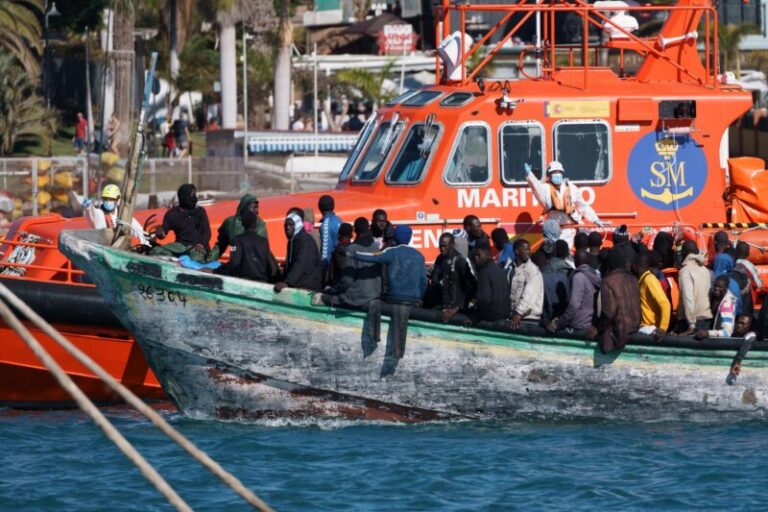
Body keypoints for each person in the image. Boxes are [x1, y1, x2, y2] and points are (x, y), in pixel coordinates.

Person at [354, 225, 427, 358]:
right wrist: (418, 297)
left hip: (393, 300)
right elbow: (424, 282)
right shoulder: (419, 256)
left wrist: (353, 253)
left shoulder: (392, 252)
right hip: (413, 301)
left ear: (395, 237)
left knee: (374, 303)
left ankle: (374, 337)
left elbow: (372, 256)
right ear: (410, 238)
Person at [525, 160, 609, 245]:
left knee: (586, 242)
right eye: (554, 172)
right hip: (556, 229)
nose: (557, 174)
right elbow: (535, 187)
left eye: (559, 172)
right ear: (549, 175)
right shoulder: (545, 189)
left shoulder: (571, 187)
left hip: (573, 226)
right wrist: (529, 175)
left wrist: (595, 219)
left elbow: (583, 206)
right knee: (560, 250)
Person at [321, 217, 382, 307]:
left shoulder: (351, 249)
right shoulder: (376, 248)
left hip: (358, 297)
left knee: (323, 298)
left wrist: (332, 290)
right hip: (375, 295)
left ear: (355, 231)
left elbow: (347, 280)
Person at [589, 249, 641, 353]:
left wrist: (598, 328)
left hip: (618, 334)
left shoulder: (609, 281)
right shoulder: (633, 279)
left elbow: (608, 313)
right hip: (635, 327)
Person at [150, 183, 211, 262]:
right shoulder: (173, 213)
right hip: (181, 246)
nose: (195, 198)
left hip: (198, 247)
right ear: (184, 196)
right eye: (193, 195)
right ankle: (174, 262)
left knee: (196, 259)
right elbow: (163, 233)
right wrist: (159, 232)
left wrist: (201, 244)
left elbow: (207, 232)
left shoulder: (200, 211)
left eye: (195, 195)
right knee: (155, 252)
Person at [548, 250, 601, 333]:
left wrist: (558, 323)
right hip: (590, 323)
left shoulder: (578, 277)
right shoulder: (595, 275)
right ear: (588, 261)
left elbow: (574, 306)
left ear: (575, 261)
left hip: (579, 324)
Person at [427, 232, 476, 322]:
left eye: (445, 246)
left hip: (454, 309)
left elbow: (472, 286)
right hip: (440, 305)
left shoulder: (459, 261)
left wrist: (456, 308)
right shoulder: (440, 259)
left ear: (452, 245)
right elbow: (435, 281)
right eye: (440, 246)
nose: (442, 249)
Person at [214, 210, 274, 282]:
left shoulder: (237, 240)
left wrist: (216, 271)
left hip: (245, 281)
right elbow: (267, 263)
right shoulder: (264, 242)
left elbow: (234, 263)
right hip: (262, 281)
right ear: (256, 224)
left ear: (242, 223)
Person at [83, 184, 149, 246]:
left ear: (117, 200)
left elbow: (138, 230)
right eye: (106, 199)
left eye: (111, 199)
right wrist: (88, 208)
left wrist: (147, 243)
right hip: (103, 248)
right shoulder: (100, 214)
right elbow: (92, 214)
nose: (108, 201)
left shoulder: (123, 215)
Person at [274, 213, 323, 292]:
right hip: (300, 283)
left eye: (291, 225)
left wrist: (287, 282)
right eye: (285, 225)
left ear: (297, 225)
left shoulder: (305, 240)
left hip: (308, 286)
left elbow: (301, 263)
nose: (287, 228)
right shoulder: (292, 241)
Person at [211, 194, 267, 260]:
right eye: (254, 207)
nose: (257, 211)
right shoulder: (230, 222)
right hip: (236, 263)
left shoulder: (260, 225)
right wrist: (209, 260)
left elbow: (261, 250)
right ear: (244, 207)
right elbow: (221, 245)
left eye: (257, 207)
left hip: (252, 265)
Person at [468, 239, 511, 323]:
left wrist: (476, 317)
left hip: (492, 316)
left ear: (487, 254)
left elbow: (484, 298)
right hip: (505, 314)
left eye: (478, 255)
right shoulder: (498, 269)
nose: (476, 258)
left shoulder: (484, 271)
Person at [677, 240, 713, 335]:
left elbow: (688, 299)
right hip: (707, 318)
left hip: (692, 321)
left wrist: (691, 324)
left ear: (683, 253)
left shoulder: (685, 271)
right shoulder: (707, 271)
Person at [509, 238, 544, 329]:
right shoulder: (511, 268)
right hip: (514, 316)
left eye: (529, 249)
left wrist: (519, 313)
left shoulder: (533, 271)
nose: (528, 252)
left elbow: (529, 295)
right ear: (517, 251)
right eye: (525, 249)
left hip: (528, 318)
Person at [635, 250, 671, 339]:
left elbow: (665, 303)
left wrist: (662, 328)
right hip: (646, 328)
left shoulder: (649, 279)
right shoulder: (643, 280)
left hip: (650, 329)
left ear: (637, 264)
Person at [533, 250, 570, 326]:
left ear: (535, 266)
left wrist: (547, 322)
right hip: (565, 320)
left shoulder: (540, 278)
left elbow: (548, 304)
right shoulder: (563, 274)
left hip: (550, 322)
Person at [318, 195, 343, 281]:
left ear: (319, 207)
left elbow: (325, 255)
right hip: (342, 266)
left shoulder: (325, 225)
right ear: (333, 206)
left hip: (332, 271)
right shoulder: (340, 220)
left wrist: (321, 276)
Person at [726, 315, 757, 384]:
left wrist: (737, 362)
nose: (739, 325)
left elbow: (748, 340)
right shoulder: (733, 333)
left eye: (743, 323)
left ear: (749, 326)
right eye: (738, 322)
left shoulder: (751, 336)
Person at [327, 222, 353, 287]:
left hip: (340, 284)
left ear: (338, 235)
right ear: (351, 236)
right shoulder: (354, 248)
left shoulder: (339, 249)